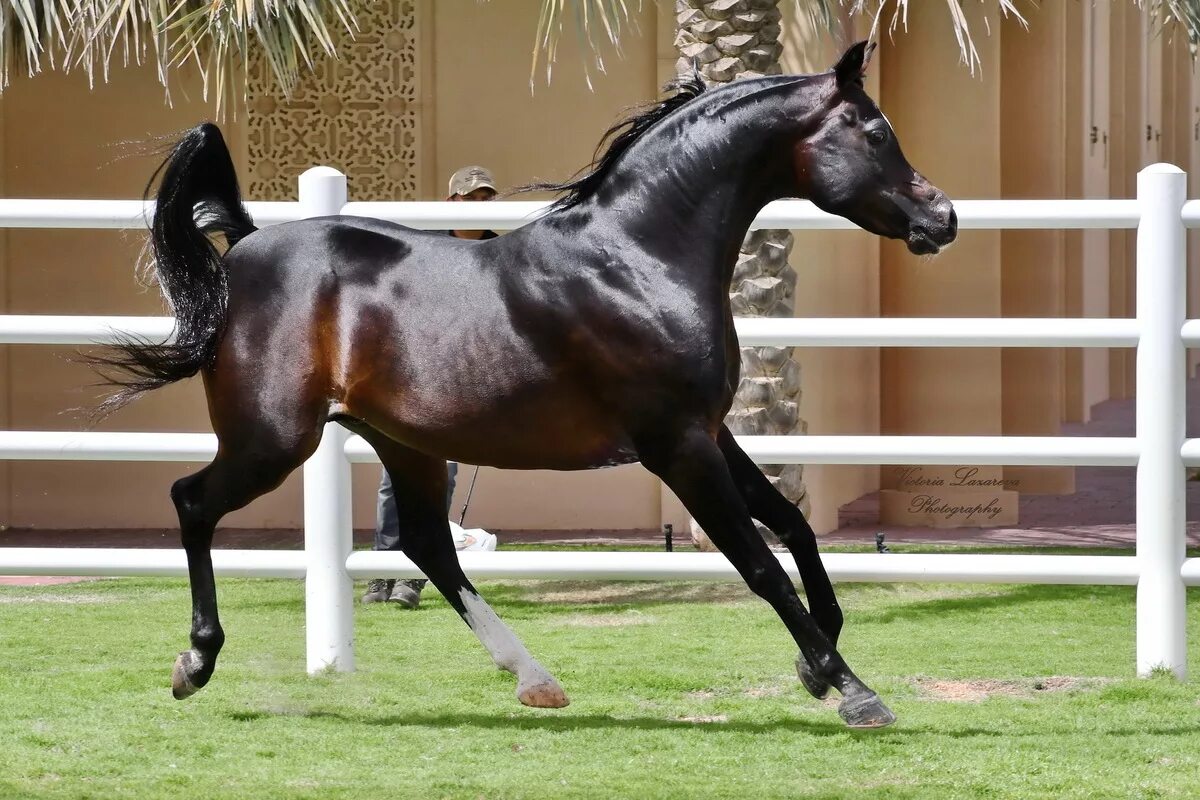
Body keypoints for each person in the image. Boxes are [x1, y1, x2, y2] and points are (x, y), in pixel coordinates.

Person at [362, 166, 500, 607]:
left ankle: (416, 577)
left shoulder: (501, 251)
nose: (479, 207)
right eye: (470, 198)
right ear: (451, 202)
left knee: (441, 477)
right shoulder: (425, 249)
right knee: (393, 476)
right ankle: (381, 572)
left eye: (485, 199)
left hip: (465, 382)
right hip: (414, 377)